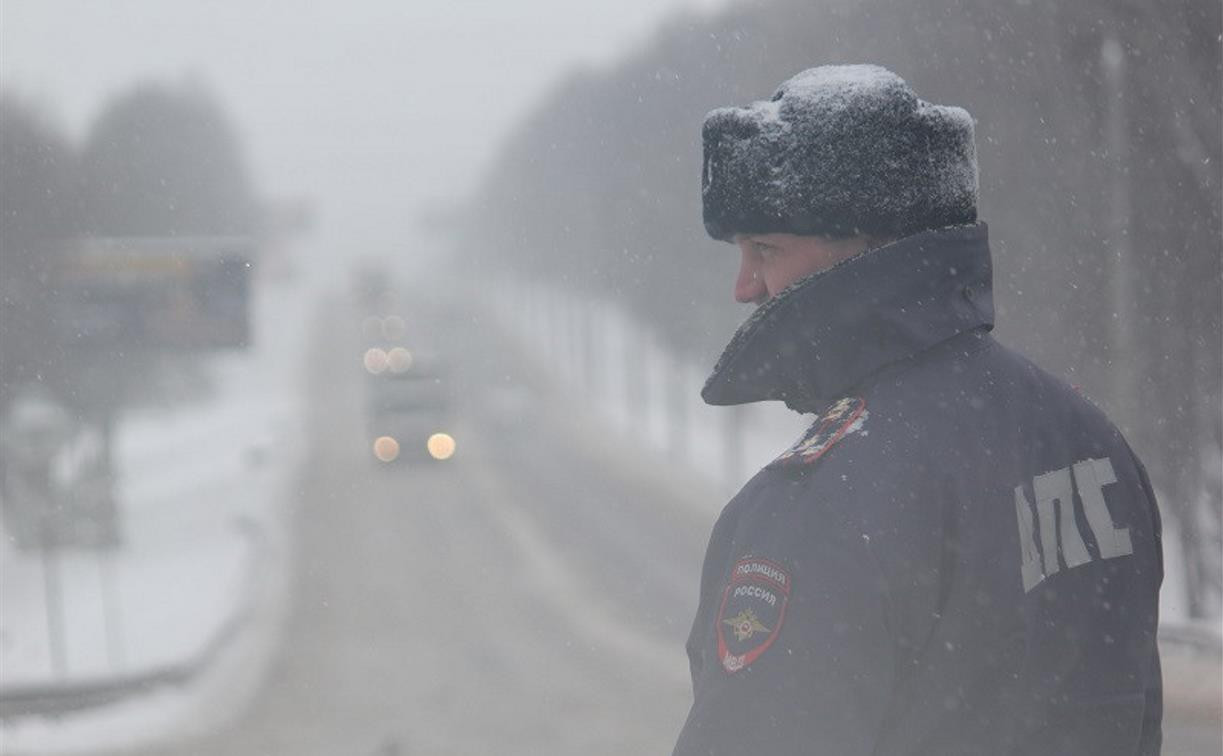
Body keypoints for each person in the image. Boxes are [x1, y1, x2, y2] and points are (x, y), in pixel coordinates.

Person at [672, 64, 1163, 756]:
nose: (744, 285)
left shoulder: (827, 497)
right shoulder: (1085, 440)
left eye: (766, 249)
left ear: (867, 253)